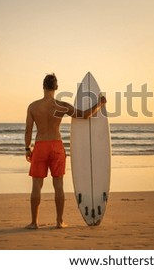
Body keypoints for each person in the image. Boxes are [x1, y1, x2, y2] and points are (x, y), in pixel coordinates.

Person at [24, 73, 106, 229]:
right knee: (59, 185)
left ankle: (34, 222)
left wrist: (28, 148)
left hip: (40, 146)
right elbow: (84, 115)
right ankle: (59, 221)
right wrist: (100, 104)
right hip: (56, 146)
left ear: (43, 86)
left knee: (36, 186)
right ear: (56, 88)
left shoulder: (33, 107)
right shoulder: (62, 106)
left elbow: (28, 130)